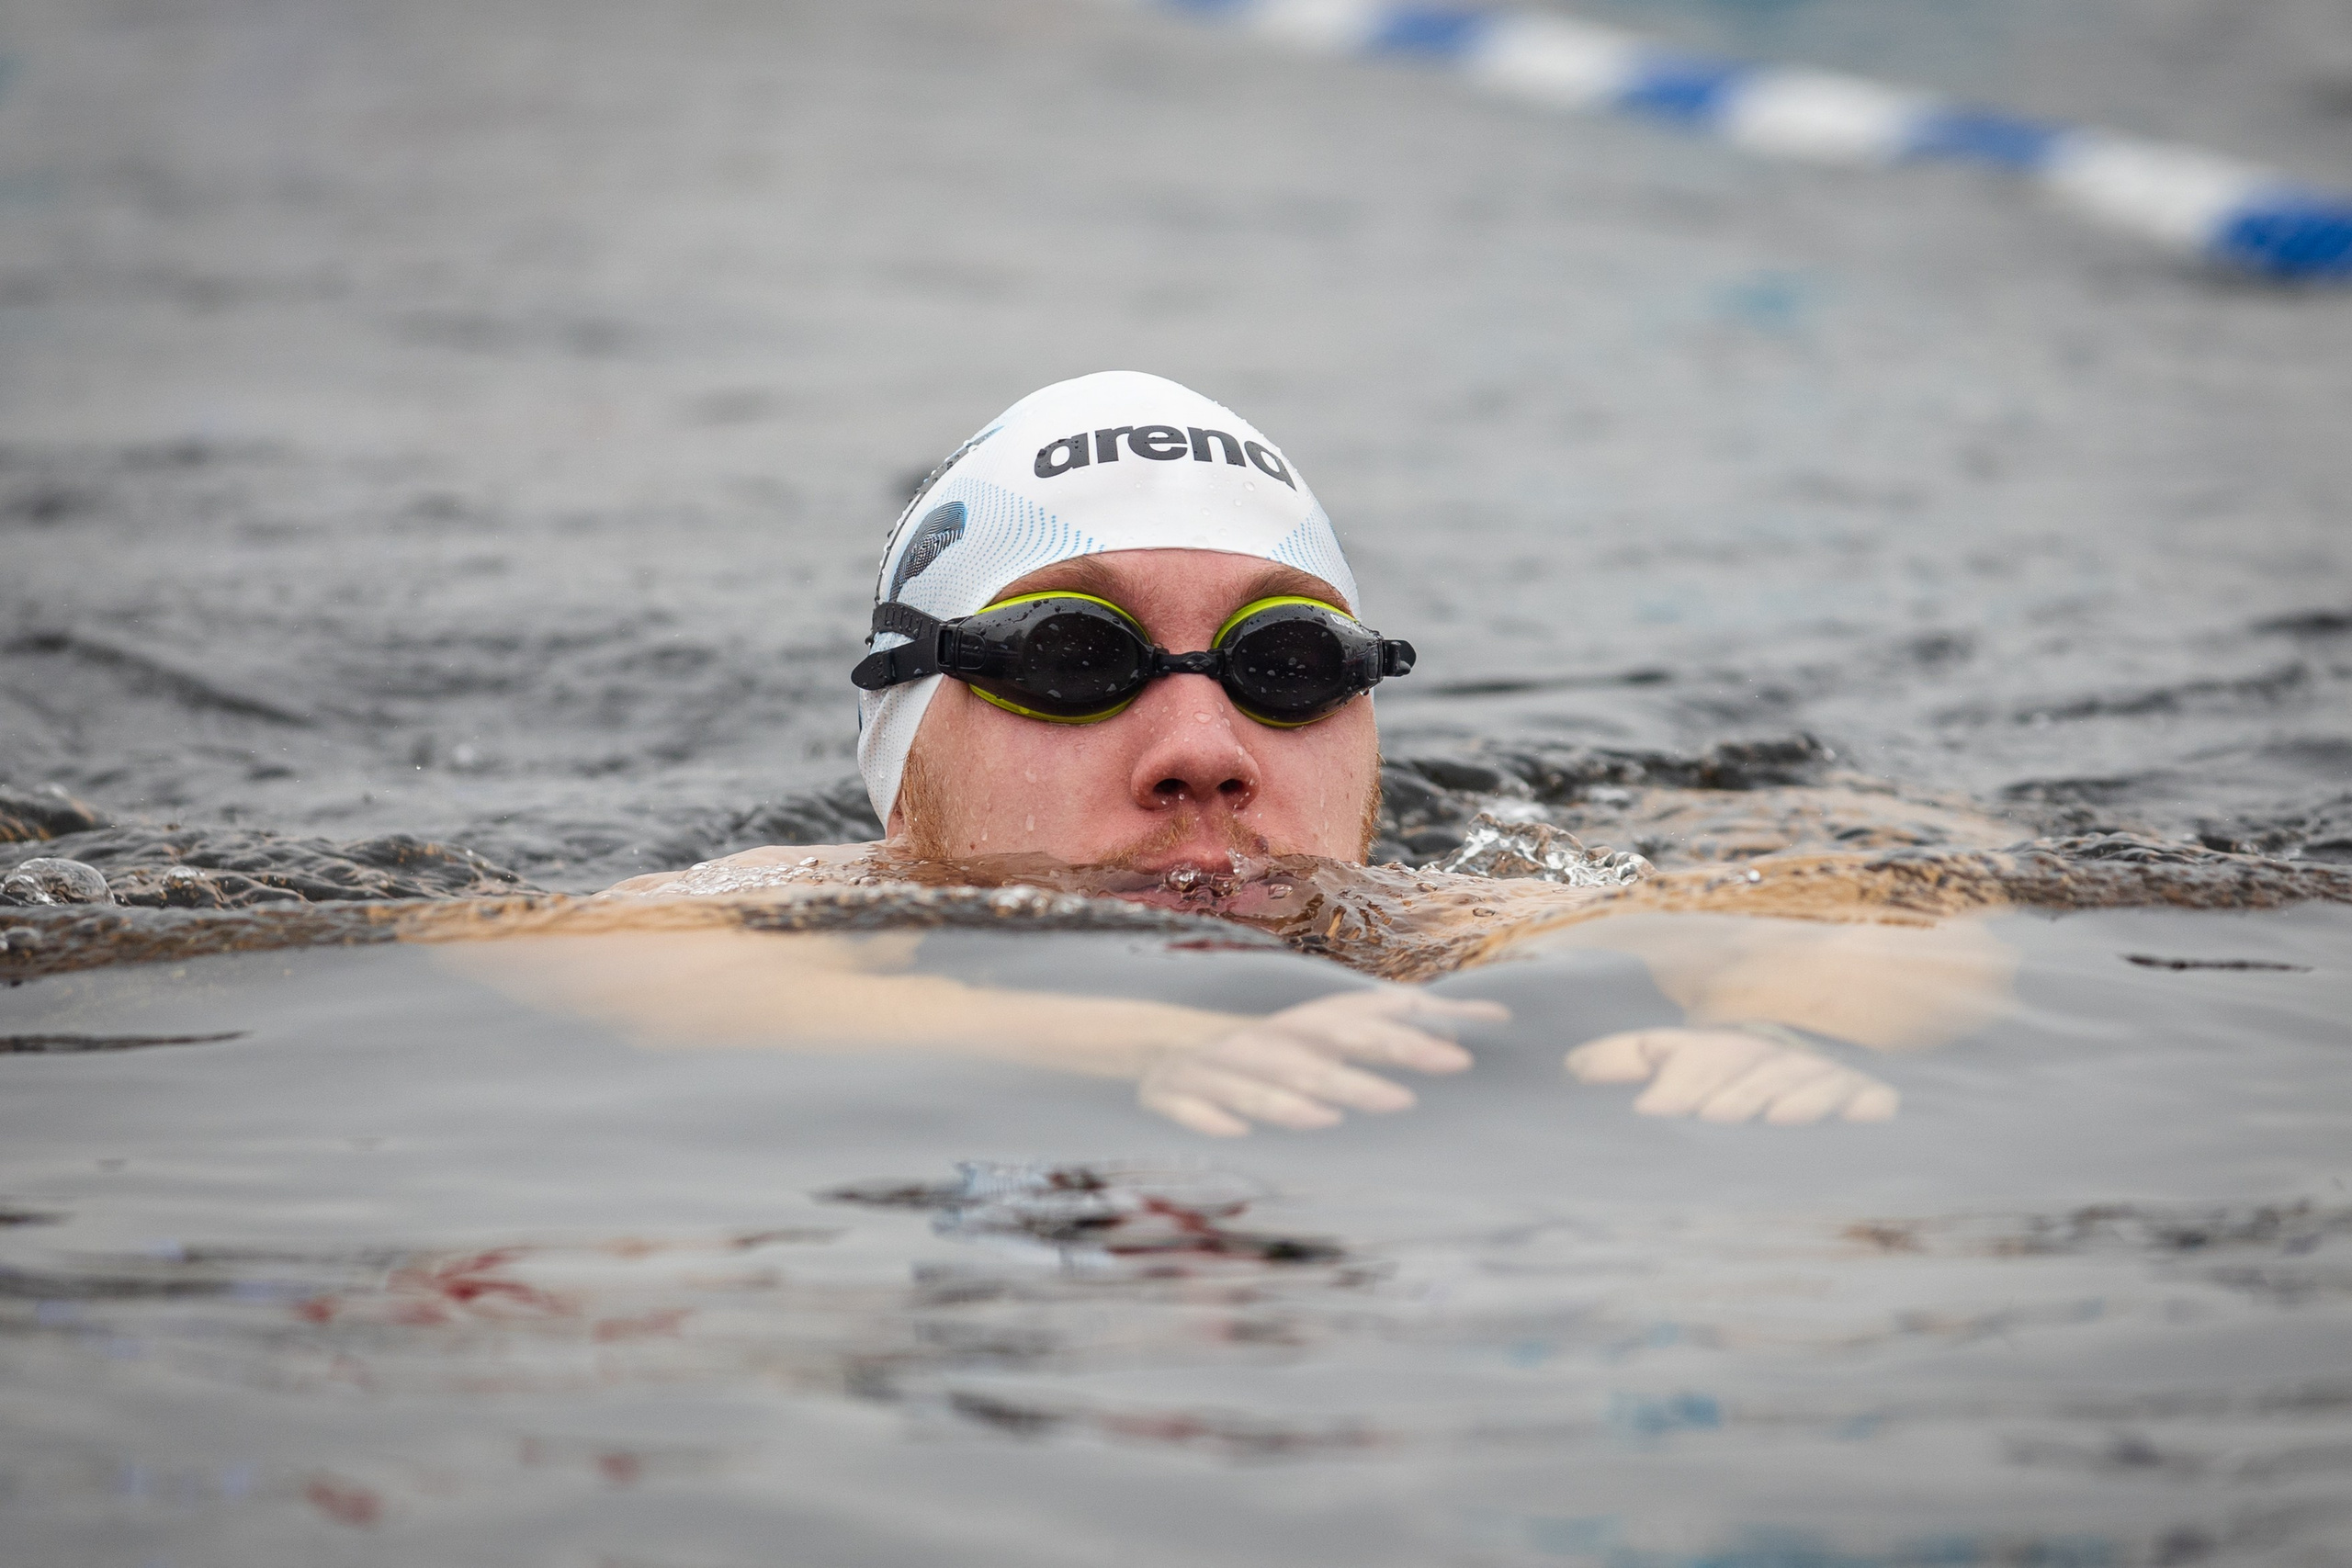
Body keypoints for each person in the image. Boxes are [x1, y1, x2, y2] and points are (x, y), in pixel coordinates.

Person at [590, 372, 1999, 1134]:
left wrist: (1793, 1029)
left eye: (1287, 667)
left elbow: (1902, 889)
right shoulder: (823, 917)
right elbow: (565, 951)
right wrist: (1093, 1034)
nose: (1203, 753)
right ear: (903, 757)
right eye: (1077, 663)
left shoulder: (1449, 921)